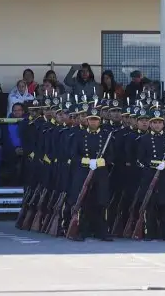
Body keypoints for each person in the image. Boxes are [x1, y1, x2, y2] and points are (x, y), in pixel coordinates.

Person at [68, 103, 113, 241]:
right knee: (84, 202)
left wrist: (101, 162)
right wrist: (87, 161)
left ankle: (101, 232)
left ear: (100, 121)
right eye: (91, 119)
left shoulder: (106, 136)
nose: (94, 122)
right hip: (84, 172)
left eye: (96, 119)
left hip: (100, 173)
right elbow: (73, 155)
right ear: (87, 120)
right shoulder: (79, 135)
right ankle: (82, 231)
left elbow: (112, 156)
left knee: (101, 203)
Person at [135, 108, 165, 240]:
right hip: (150, 176)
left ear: (163, 123)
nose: (157, 125)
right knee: (150, 206)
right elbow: (139, 159)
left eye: (159, 122)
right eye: (154, 122)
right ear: (150, 124)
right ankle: (150, 233)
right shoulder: (144, 139)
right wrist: (153, 164)